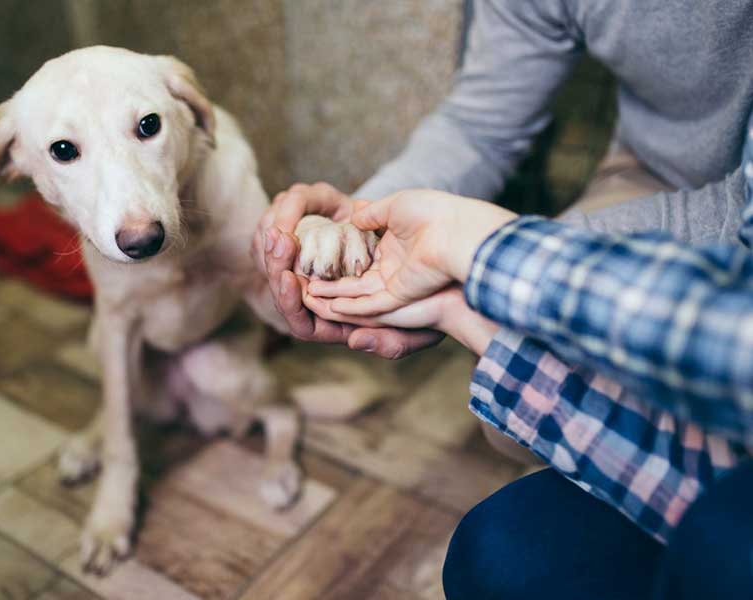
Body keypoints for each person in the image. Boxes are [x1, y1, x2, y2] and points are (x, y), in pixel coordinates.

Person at [253, 1, 753, 598]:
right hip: (657, 172)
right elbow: (479, 123)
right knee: (512, 401)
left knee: (532, 355)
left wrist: (485, 260)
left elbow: (735, 220)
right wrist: (363, 220)